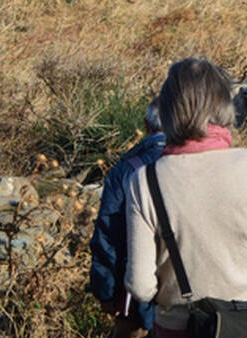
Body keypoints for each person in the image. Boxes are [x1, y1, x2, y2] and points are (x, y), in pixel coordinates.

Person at [125, 58, 247, 338]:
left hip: (179, 327)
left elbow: (140, 286)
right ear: (223, 105)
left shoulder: (145, 180)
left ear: (169, 110)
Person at [90, 101, 166, 338]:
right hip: (184, 293)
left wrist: (106, 291)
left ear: (145, 125)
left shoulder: (125, 170)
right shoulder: (194, 166)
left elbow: (108, 236)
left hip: (132, 290)